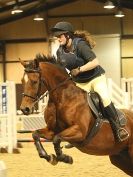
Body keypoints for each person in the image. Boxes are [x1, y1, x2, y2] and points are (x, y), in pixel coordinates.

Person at [51, 21, 129, 142]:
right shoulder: (59, 52)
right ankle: (76, 130)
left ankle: (118, 128)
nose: (58, 39)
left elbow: (95, 62)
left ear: (68, 36)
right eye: (57, 37)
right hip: (80, 82)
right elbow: (62, 70)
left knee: (104, 98)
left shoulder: (80, 45)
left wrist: (79, 69)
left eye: (60, 36)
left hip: (95, 78)